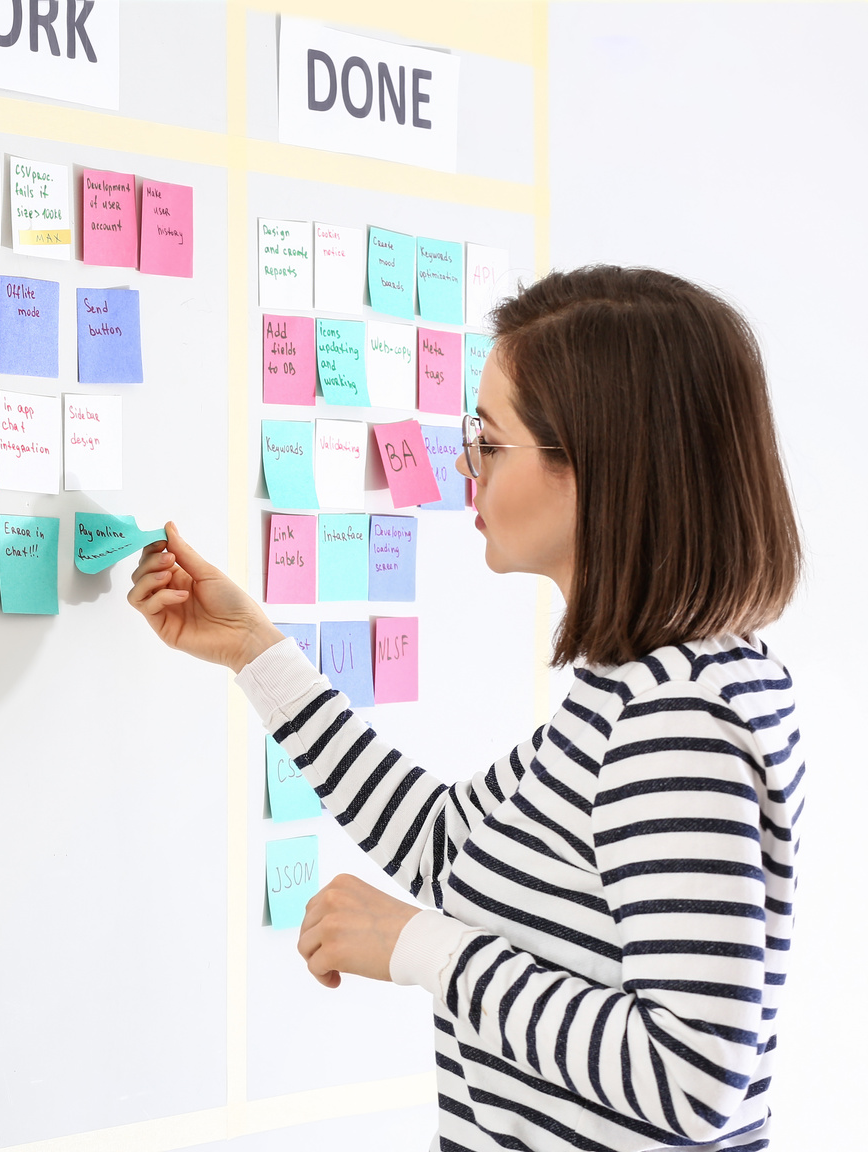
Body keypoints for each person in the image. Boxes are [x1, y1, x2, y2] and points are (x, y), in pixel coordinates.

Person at [128, 267, 801, 1152]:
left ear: (601, 463)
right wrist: (256, 650)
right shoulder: (632, 685)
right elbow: (453, 845)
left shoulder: (677, 719)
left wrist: (422, 949)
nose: (464, 464)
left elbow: (693, 1079)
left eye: (488, 439)